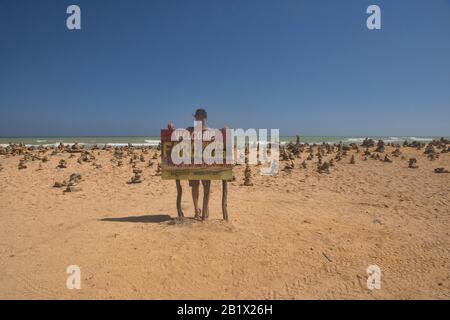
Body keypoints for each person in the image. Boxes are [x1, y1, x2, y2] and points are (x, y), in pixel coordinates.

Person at [168, 108, 210, 220]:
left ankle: (205, 209)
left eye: (202, 115)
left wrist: (225, 130)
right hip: (192, 163)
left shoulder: (209, 131)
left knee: (207, 187)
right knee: (195, 187)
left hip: (206, 164)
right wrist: (172, 129)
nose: (199, 117)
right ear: (194, 117)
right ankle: (196, 211)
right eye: (197, 115)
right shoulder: (189, 130)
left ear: (205, 118)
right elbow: (178, 138)